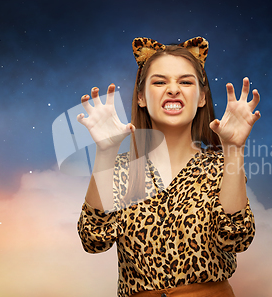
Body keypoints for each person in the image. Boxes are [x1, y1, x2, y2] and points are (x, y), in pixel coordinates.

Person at [77, 36, 261, 297]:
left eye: (185, 82)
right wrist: (105, 152)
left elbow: (236, 238)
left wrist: (233, 149)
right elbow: (93, 240)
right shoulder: (119, 170)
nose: (173, 90)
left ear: (201, 98)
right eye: (160, 81)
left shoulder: (220, 166)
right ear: (141, 97)